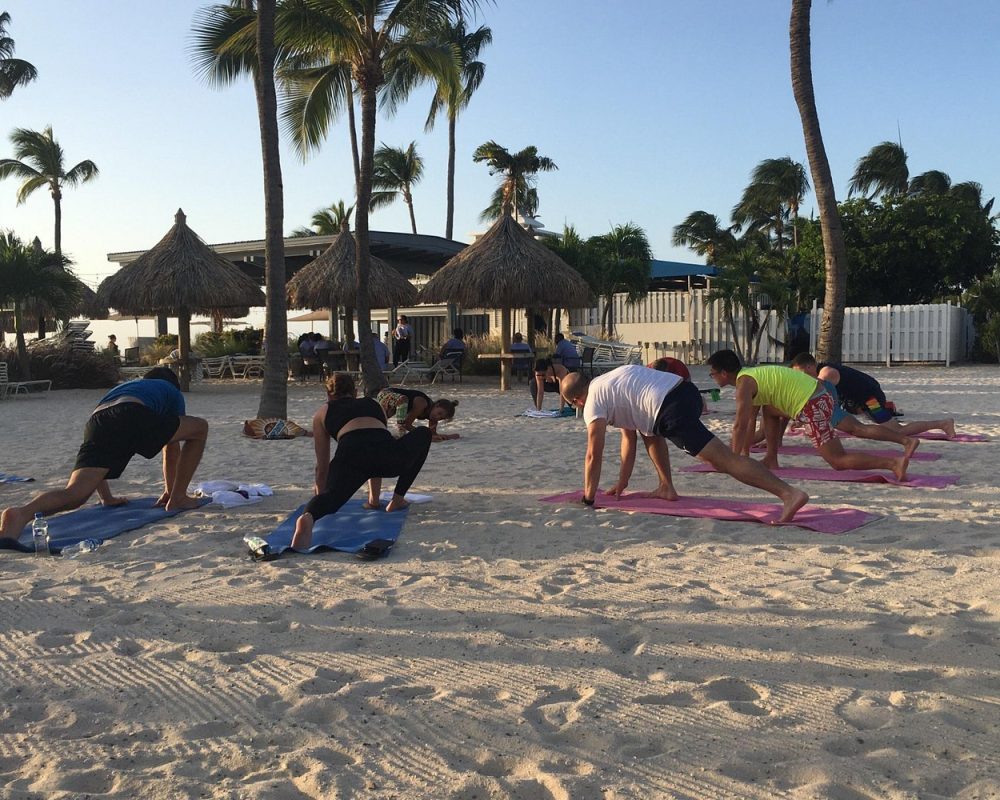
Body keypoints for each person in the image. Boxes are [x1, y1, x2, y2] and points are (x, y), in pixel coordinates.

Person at [560, 366, 808, 523]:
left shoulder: (592, 402)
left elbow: (593, 453)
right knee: (652, 435)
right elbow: (631, 437)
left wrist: (588, 499)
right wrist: (623, 483)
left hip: (669, 407)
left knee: (723, 460)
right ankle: (666, 487)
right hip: (685, 391)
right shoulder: (609, 383)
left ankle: (789, 494)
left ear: (577, 401)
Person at [0, 367, 209, 541]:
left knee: (75, 494)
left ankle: (21, 513)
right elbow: (171, 447)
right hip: (131, 413)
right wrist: (173, 493)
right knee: (200, 428)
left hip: (97, 421)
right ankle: (180, 497)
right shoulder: (170, 390)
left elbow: (107, 440)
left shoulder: (130, 386)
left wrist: (107, 498)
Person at [707, 349, 913, 480]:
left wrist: (731, 462)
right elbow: (750, 420)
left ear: (724, 373)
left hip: (812, 404)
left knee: (837, 460)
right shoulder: (752, 376)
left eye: (712, 373)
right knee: (769, 410)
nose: (712, 377)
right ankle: (771, 459)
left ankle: (892, 463)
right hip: (818, 396)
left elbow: (739, 426)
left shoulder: (744, 384)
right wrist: (742, 456)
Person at [292, 373, 432, 549]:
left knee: (331, 498)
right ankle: (397, 498)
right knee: (424, 434)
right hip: (388, 457)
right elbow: (375, 442)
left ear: (329, 395)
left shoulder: (323, 412)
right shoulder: (374, 404)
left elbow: (322, 467)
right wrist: (373, 501)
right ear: (356, 392)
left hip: (351, 457)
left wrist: (322, 495)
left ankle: (308, 517)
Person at [790, 352, 955, 438]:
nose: (800, 379)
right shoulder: (822, 371)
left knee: (898, 430)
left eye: (801, 373)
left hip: (870, 399)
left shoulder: (826, 374)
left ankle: (943, 423)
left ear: (811, 366)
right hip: (857, 400)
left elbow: (819, 401)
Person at [376, 387, 460, 442]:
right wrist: (423, 436)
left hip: (397, 405)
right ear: (436, 405)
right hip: (385, 394)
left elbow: (433, 435)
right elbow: (407, 424)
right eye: (439, 413)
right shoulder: (422, 403)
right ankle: (400, 434)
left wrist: (447, 437)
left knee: (382, 418)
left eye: (441, 418)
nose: (437, 417)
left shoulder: (433, 417)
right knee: (402, 400)